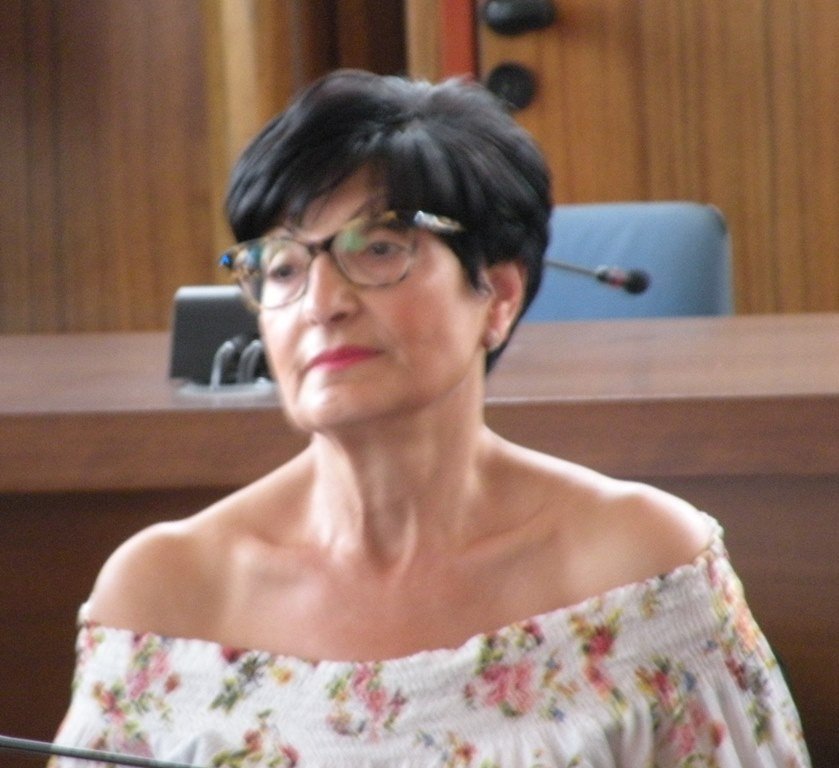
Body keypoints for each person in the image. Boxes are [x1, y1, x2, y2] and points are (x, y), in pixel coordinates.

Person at [51, 69, 809, 767]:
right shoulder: (164, 594)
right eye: (283, 266)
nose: (321, 303)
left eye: (379, 248)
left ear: (498, 296)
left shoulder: (642, 571)